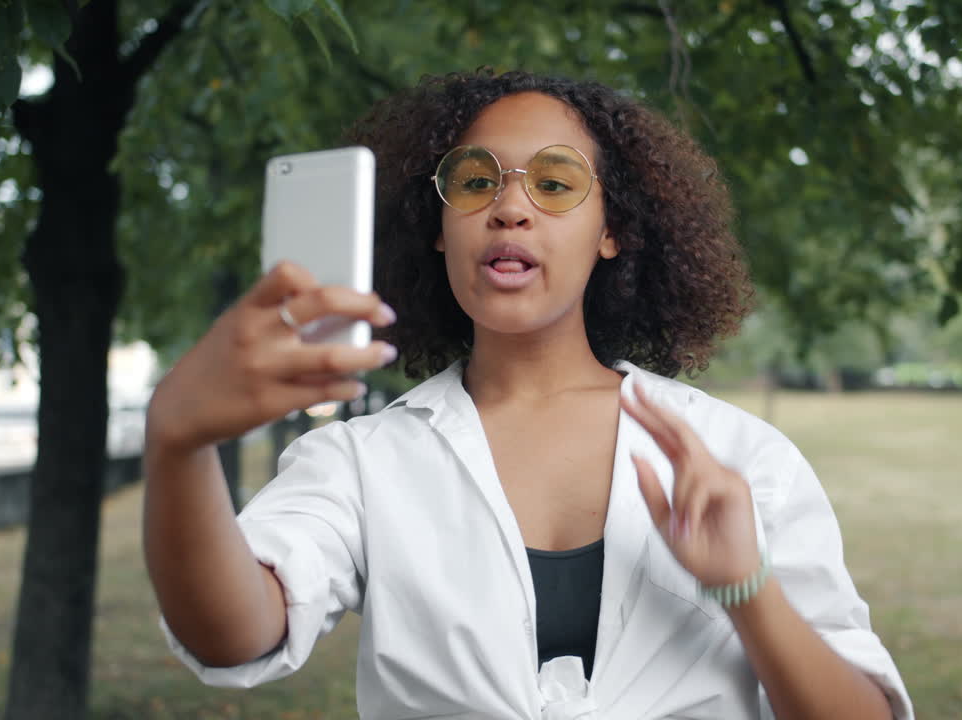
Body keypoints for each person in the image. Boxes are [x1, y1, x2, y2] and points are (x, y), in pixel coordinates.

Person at [143, 70, 913, 719]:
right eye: (476, 181)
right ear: (439, 227)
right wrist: (178, 444)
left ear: (612, 229)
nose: (510, 208)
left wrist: (747, 588)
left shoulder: (740, 460)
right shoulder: (360, 461)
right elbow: (232, 634)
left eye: (554, 182)